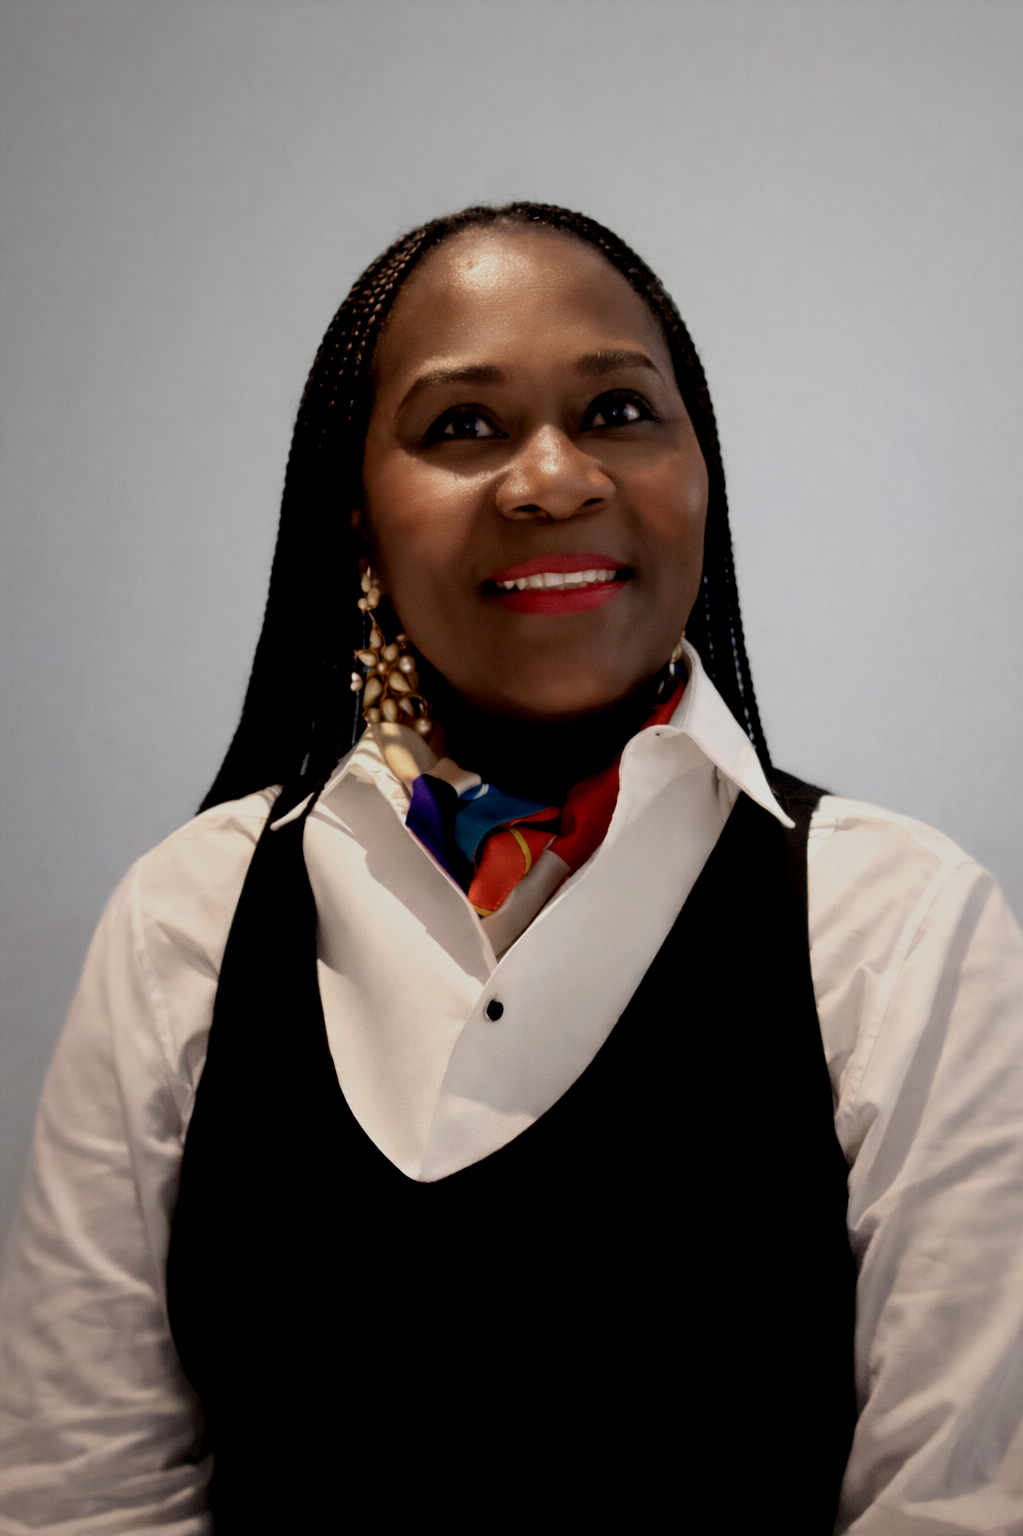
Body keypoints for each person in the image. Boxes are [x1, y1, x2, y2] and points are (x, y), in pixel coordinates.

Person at [2, 202, 1022, 1535]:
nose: (553, 479)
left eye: (616, 412)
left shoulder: (894, 921)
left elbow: (957, 1504)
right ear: (355, 522)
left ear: (700, 478)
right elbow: (84, 1495)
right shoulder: (186, 916)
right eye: (461, 427)